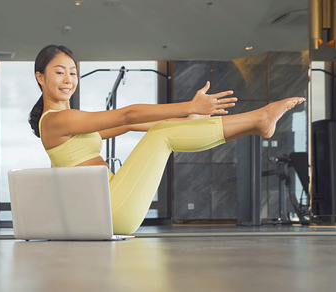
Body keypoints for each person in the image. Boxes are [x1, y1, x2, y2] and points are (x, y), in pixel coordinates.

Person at [29, 44, 305, 234]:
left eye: (73, 72)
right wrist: (190, 107)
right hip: (108, 210)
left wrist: (186, 122)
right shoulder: (55, 120)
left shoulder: (73, 121)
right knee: (162, 137)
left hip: (109, 204)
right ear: (40, 77)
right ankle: (259, 119)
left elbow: (133, 125)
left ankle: (256, 124)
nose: (68, 79)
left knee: (161, 132)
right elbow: (126, 116)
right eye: (59, 72)